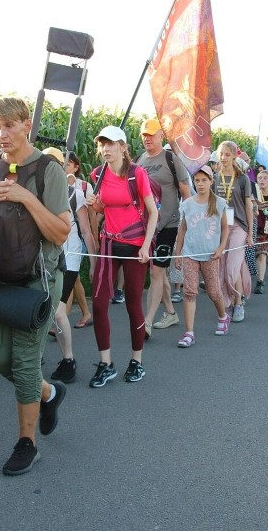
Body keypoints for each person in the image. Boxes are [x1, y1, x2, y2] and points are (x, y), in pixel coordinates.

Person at [0, 97, 70, 475]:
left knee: (23, 362)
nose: (1, 134)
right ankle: (50, 392)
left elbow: (61, 231)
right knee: (2, 361)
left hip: (37, 282)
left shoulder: (47, 171)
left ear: (26, 125)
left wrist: (25, 197)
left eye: (8, 126)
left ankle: (27, 443)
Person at [87, 126, 158, 387]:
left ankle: (136, 361)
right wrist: (93, 203)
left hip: (135, 244)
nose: (106, 149)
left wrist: (145, 247)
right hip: (108, 243)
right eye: (102, 144)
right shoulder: (97, 174)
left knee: (132, 304)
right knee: (98, 303)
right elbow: (100, 208)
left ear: (123, 147)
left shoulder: (136, 174)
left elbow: (153, 212)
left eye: (111, 144)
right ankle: (106, 364)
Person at [42, 148, 97, 383]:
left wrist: (94, 264)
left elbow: (85, 230)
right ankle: (37, 357)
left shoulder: (74, 194)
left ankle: (68, 359)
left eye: (57, 163)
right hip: (44, 258)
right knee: (45, 310)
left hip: (69, 258)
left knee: (57, 311)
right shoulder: (36, 192)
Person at [137, 119, 191, 336]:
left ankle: (147, 322)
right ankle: (170, 312)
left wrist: (187, 228)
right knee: (156, 272)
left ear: (161, 136)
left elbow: (186, 194)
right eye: (144, 134)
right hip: (148, 227)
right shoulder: (139, 161)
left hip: (169, 224)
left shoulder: (171, 159)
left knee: (158, 272)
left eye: (151, 134)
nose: (147, 138)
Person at [174, 165, 230, 347]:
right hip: (190, 253)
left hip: (210, 254)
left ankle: (223, 316)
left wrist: (221, 248)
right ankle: (189, 332)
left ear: (211, 181)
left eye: (204, 180)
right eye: (197, 180)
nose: (200, 184)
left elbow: (225, 228)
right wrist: (178, 253)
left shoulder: (219, 203)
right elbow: (183, 229)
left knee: (213, 290)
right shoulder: (188, 204)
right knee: (189, 291)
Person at [212, 141, 254, 321]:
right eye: (221, 154)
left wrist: (250, 233)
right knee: (223, 267)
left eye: (227, 154)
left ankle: (238, 303)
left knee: (232, 266)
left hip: (238, 227)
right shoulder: (214, 177)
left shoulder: (243, 179)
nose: (223, 157)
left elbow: (248, 206)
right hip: (221, 227)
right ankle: (231, 302)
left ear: (234, 156)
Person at [63, 151, 95, 329]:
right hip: (63, 242)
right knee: (74, 279)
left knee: (70, 277)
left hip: (79, 238)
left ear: (76, 167)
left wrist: (94, 244)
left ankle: (60, 321)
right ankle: (86, 313)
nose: (64, 166)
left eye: (68, 164)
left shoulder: (83, 187)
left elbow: (91, 216)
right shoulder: (56, 186)